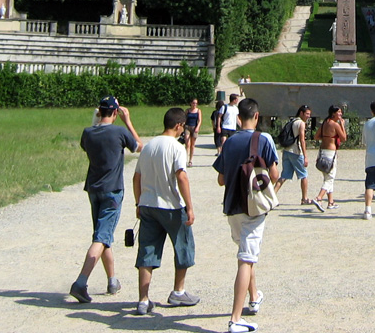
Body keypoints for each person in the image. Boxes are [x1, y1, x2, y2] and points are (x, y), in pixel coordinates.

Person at [212, 98, 279, 333]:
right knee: (246, 259)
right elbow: (274, 172)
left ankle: (254, 296)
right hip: (253, 207)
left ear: (238, 118)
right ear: (257, 116)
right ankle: (235, 318)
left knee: (247, 253)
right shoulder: (264, 139)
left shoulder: (229, 143)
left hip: (232, 206)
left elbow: (220, 179)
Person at [70, 96, 142, 303]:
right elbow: (139, 147)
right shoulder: (119, 132)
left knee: (102, 235)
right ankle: (81, 282)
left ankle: (112, 280)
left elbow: (89, 140)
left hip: (93, 189)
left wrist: (97, 118)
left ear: (99, 112)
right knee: (101, 238)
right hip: (112, 190)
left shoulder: (88, 132)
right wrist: (128, 121)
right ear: (115, 112)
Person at [132, 107, 198, 315]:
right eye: (183, 126)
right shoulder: (177, 148)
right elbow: (181, 177)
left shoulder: (149, 146)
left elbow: (137, 177)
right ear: (178, 125)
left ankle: (143, 299)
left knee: (147, 250)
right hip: (170, 205)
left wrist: (138, 203)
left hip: (148, 205)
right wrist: (189, 206)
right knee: (183, 245)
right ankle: (178, 291)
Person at [274, 105, 312, 204]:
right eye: (307, 114)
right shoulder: (301, 123)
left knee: (284, 176)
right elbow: (302, 140)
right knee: (304, 175)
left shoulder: (292, 121)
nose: (308, 116)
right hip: (296, 152)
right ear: (301, 113)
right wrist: (305, 156)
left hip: (286, 150)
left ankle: (272, 197)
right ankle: (304, 199)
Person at [311, 105, 346, 211]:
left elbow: (316, 136)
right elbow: (344, 138)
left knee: (327, 177)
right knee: (330, 178)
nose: (340, 114)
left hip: (322, 151)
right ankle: (319, 197)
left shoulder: (325, 122)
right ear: (333, 113)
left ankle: (330, 202)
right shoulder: (335, 124)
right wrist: (342, 125)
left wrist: (326, 138)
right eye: (339, 112)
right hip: (331, 152)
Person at [184, 99, 202, 166]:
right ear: (191, 103)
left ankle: (190, 160)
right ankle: (185, 159)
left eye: (196, 103)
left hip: (194, 127)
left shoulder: (198, 111)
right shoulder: (187, 110)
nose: (195, 104)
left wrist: (197, 127)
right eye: (193, 103)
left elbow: (200, 120)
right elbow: (184, 119)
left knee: (192, 145)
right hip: (187, 127)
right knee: (187, 144)